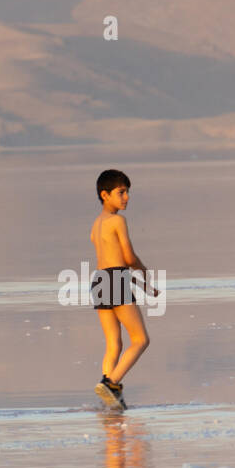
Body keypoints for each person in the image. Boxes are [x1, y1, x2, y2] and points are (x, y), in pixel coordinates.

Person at [90, 169, 155, 409]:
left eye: (127, 192)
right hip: (115, 278)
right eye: (121, 192)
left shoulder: (96, 223)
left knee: (113, 344)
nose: (126, 197)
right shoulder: (118, 221)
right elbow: (127, 257)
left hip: (98, 280)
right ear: (104, 194)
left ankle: (110, 395)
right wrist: (144, 271)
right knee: (140, 339)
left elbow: (109, 257)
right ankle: (112, 383)